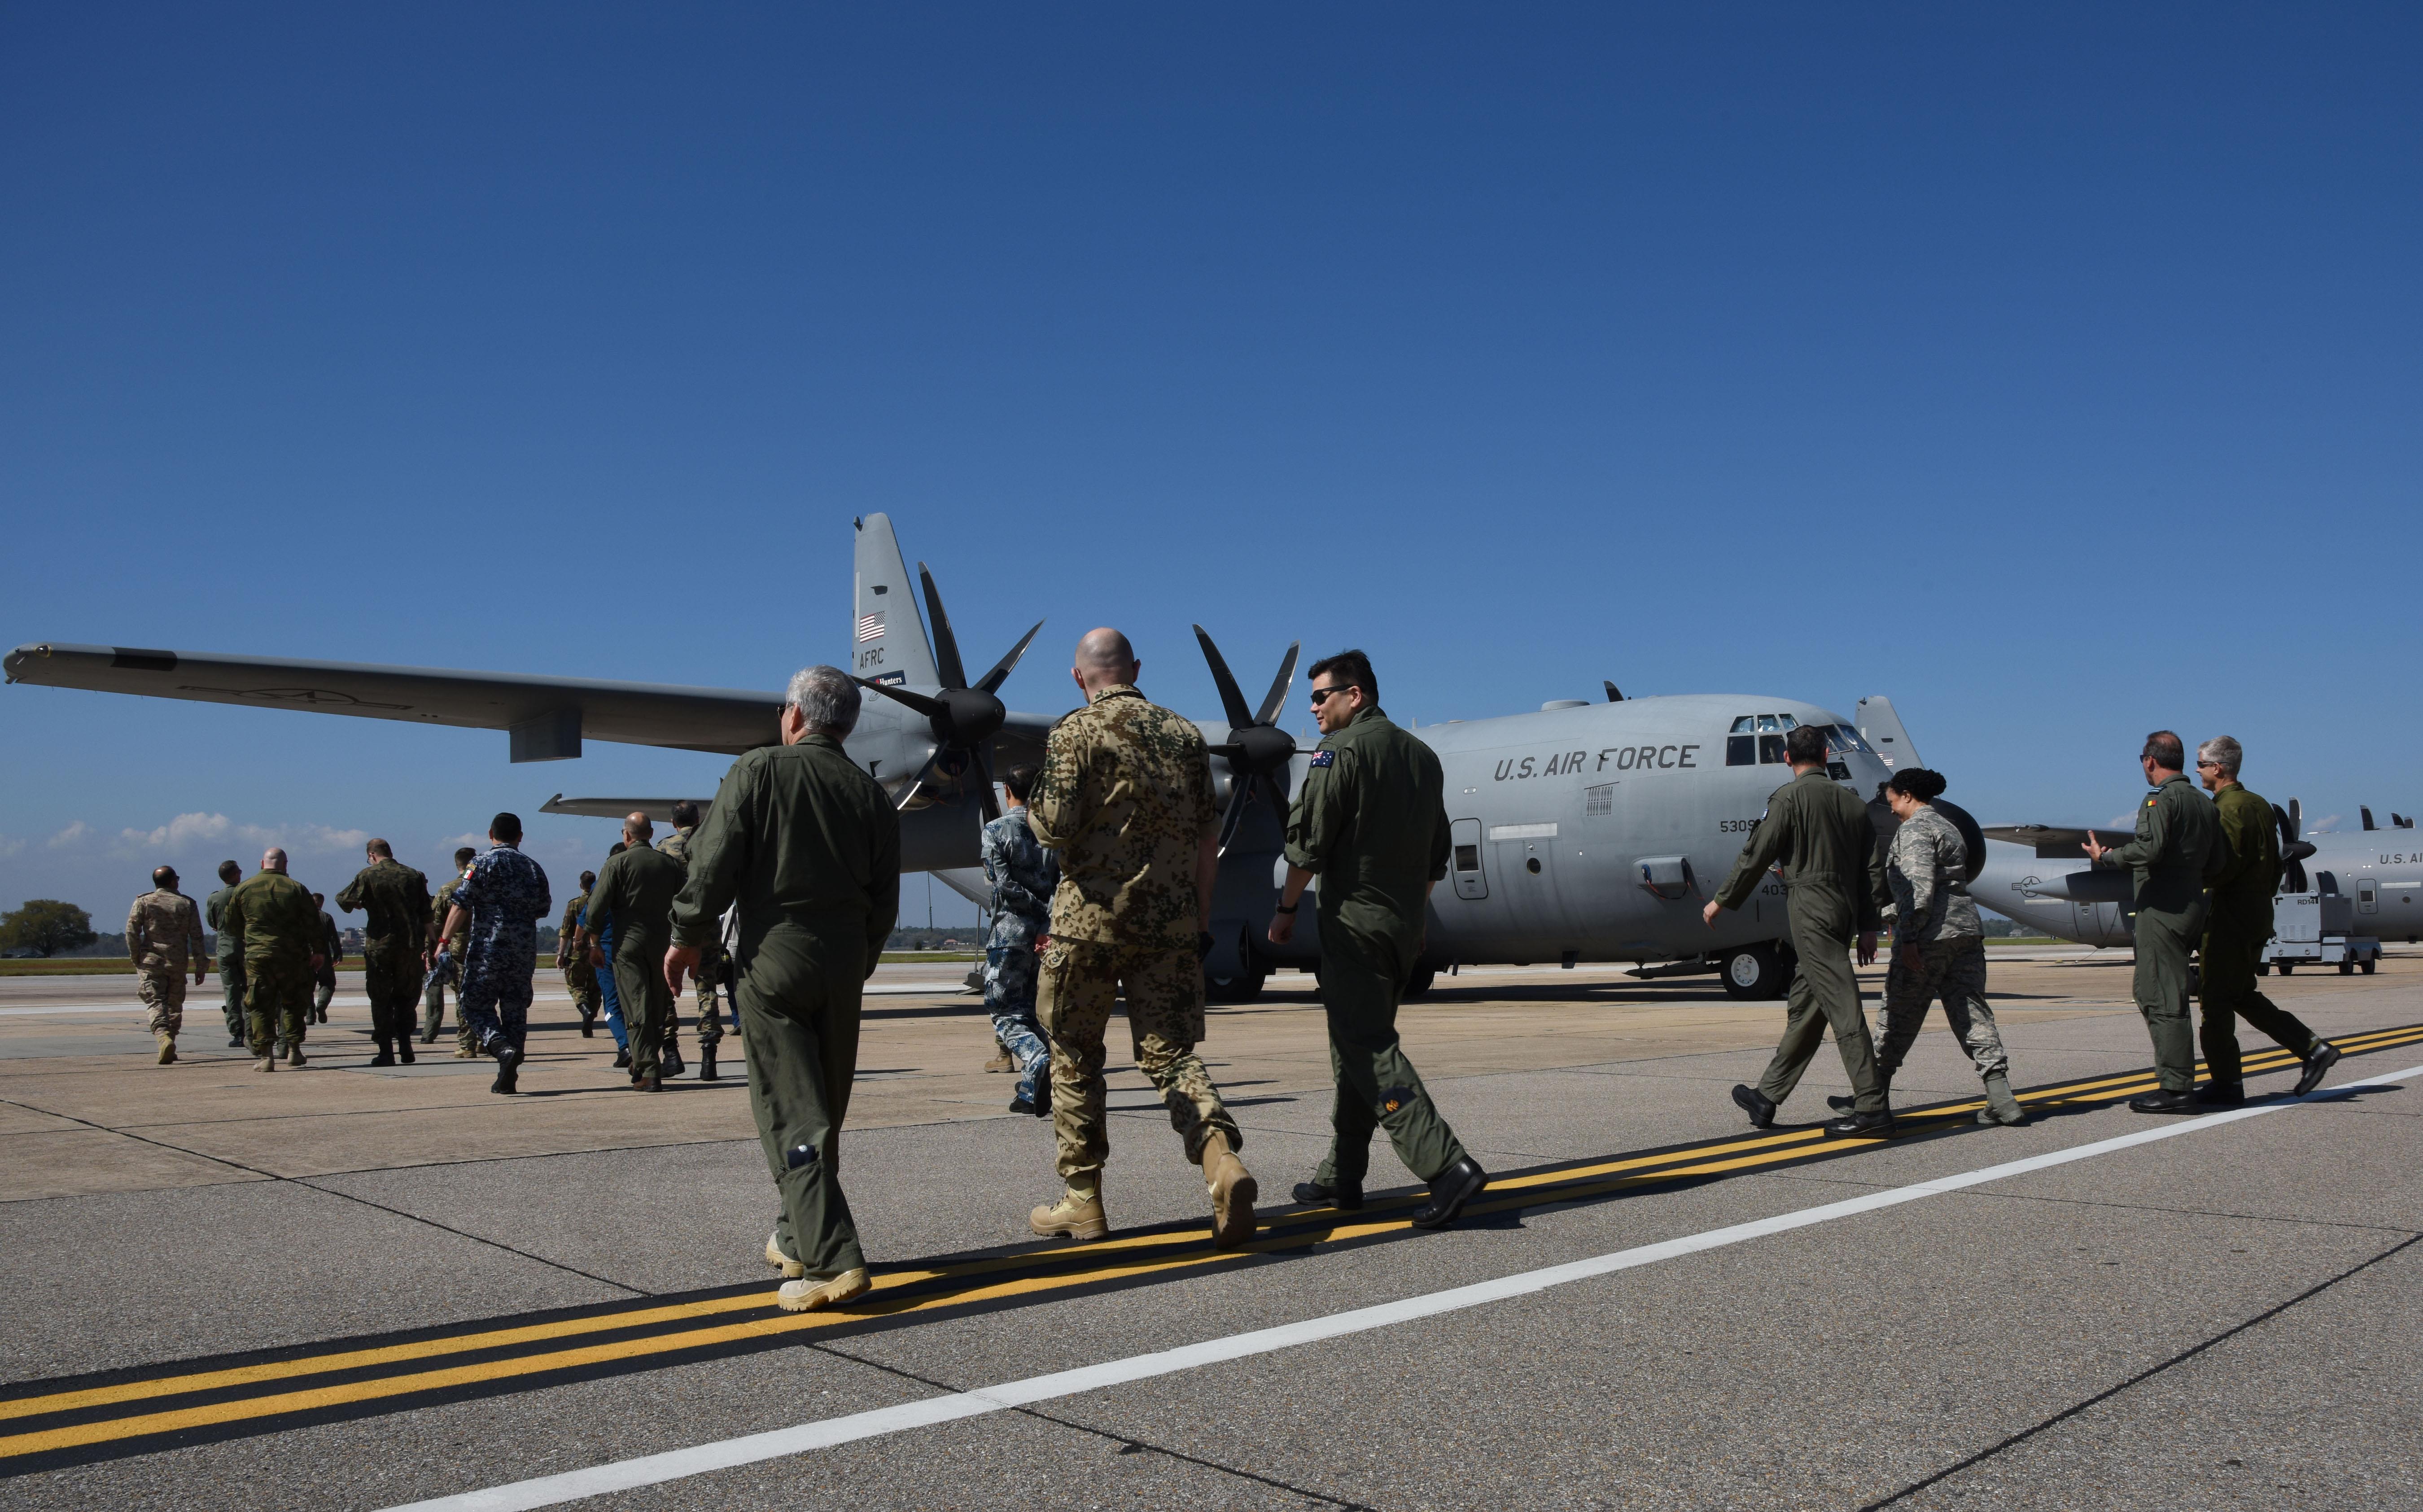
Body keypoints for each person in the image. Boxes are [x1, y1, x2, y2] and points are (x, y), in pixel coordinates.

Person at [665, 664, 897, 1313]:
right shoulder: (871, 793)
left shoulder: (759, 769)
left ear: (794, 715)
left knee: (792, 1112)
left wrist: (686, 934)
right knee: (822, 1106)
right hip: (845, 960)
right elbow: (885, 900)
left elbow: (712, 862)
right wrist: (858, 960)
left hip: (776, 956)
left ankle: (832, 1258)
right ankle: (796, 1235)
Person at [1025, 628, 1257, 1249]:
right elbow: (1208, 841)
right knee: (1171, 1055)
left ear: (1079, 677)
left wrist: (1032, 805)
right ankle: (1221, 1160)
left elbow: (1051, 826)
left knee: (1075, 1054)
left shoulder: (1074, 731)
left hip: (1088, 927)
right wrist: (1198, 923)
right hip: (1170, 928)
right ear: (1136, 668)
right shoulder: (1185, 735)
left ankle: (1083, 1200)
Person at [1270, 649, 1487, 1226]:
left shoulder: (1337, 752)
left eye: (1321, 696)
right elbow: (1436, 853)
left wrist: (1285, 909)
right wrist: (1416, 918)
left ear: (1355, 695)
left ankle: (1446, 1166)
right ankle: (1342, 1173)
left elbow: (1309, 843)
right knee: (1354, 1044)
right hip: (1401, 926)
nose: (1313, 707)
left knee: (1366, 1045)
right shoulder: (1422, 756)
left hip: (1355, 926)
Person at [1705, 723, 1892, 1135]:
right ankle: (1767, 1096)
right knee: (1809, 1006)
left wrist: (1723, 900)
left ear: (1787, 758)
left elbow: (1757, 854)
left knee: (1842, 1004)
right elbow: (1871, 870)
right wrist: (1868, 926)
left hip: (1811, 907)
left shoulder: (1787, 799)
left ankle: (1872, 1106)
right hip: (1844, 910)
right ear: (1827, 755)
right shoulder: (1853, 803)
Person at [1856, 769, 2025, 1126]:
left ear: (1906, 795)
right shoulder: (1948, 827)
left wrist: (1910, 938)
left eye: (1892, 799)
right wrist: (1882, 914)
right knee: (1972, 1012)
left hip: (1929, 935)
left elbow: (1918, 891)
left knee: (1897, 1015)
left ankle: (1871, 1100)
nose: (1890, 807)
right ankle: (2001, 1096)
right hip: (1965, 930)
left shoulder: (1914, 830)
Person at [2194, 736, 2341, 1102]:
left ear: (2218, 768)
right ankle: (2313, 1048)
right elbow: (2276, 862)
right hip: (2258, 912)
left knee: (2215, 1000)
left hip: (2230, 917)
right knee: (2242, 994)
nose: (2197, 771)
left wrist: (2191, 878)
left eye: (2201, 764)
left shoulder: (2227, 809)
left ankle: (2227, 1084)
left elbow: (2224, 866)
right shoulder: (2258, 805)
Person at [2084, 730, 2221, 1114]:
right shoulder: (2204, 802)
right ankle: (2181, 1081)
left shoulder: (2159, 799)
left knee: (2161, 996)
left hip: (2162, 910)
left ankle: (2176, 1088)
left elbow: (2150, 848)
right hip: (2192, 905)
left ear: (2150, 761)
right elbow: (2217, 863)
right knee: (2156, 992)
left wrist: (2106, 858)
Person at [435, 814, 551, 1094]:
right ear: (520, 836)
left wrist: (444, 941)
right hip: (523, 952)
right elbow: (543, 908)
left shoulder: (481, 863)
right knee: (516, 1011)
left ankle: (500, 1047)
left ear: (491, 834)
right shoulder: (533, 867)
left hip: (488, 949)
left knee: (473, 1004)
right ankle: (508, 1074)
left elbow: (461, 903)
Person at [584, 813, 687, 1091]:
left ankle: (648, 1069)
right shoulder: (670, 865)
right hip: (663, 943)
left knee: (636, 1004)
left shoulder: (617, 863)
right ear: (651, 834)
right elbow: (686, 904)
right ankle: (645, 1061)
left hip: (628, 945)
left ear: (626, 835)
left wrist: (594, 944)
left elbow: (595, 909)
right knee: (657, 1005)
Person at [981, 763, 1058, 1116]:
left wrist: (1032, 909)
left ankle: (1037, 1058)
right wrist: (1046, 919)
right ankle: (1031, 1091)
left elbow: (1002, 884)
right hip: (1043, 936)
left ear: (1008, 791)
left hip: (1009, 933)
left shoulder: (996, 830)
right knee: (1031, 1010)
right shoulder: (1051, 834)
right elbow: (1060, 885)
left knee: (1005, 1011)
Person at [223, 848, 324, 1071]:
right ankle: (294, 1051)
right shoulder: (297, 888)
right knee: (293, 1003)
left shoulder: (244, 888)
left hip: (259, 957)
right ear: (286, 865)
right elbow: (313, 924)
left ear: (262, 863)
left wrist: (251, 938)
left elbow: (231, 924)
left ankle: (267, 1056)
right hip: (292, 957)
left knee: (260, 1005)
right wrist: (318, 951)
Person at [336, 839, 432, 1066]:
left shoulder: (368, 875)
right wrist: (434, 942)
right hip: (410, 946)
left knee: (381, 999)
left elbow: (344, 900)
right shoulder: (414, 875)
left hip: (380, 946)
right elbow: (427, 912)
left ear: (372, 855)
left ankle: (386, 1051)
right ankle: (406, 1046)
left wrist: (361, 903)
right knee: (406, 998)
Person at [656, 801, 721, 1080]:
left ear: (673, 822)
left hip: (674, 927)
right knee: (707, 989)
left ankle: (671, 1053)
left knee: (667, 988)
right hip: (707, 926)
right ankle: (709, 1058)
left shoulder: (664, 848)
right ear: (698, 820)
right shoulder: (711, 844)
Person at [126, 865, 207, 1066]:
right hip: (177, 962)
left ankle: (163, 1037)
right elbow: (197, 936)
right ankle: (170, 1040)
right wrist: (200, 964)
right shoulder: (187, 904)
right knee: (174, 1004)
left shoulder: (144, 902)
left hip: (151, 961)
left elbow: (132, 932)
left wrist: (136, 956)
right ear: (173, 882)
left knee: (155, 1001)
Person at [423, 847, 476, 1050]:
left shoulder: (448, 889)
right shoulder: (489, 887)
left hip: (457, 949)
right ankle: (484, 1040)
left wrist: (430, 952)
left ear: (458, 865)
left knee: (463, 995)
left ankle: (467, 1044)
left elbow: (435, 924)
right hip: (485, 947)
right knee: (484, 995)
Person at [591, 841, 634, 1068]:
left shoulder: (603, 883)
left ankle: (625, 1046)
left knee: (612, 1004)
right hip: (638, 946)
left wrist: (585, 944)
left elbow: (589, 917)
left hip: (609, 948)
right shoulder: (640, 881)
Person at [204, 859, 247, 1048]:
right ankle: (255, 1028)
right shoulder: (246, 894)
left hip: (225, 948)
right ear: (236, 875)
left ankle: (238, 1032)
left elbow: (212, 922)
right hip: (247, 946)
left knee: (231, 991)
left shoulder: (215, 898)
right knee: (251, 988)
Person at [556, 870, 601, 1038]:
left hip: (578, 954)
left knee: (575, 986)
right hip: (598, 952)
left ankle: (584, 1009)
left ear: (581, 885)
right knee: (596, 989)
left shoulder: (574, 904)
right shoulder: (602, 902)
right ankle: (591, 1018)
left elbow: (566, 932)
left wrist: (561, 954)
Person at [309, 893, 342, 1026]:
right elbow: (334, 938)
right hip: (324, 955)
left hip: (306, 956)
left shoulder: (302, 917)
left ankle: (310, 1017)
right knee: (328, 983)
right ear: (321, 903)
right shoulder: (326, 917)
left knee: (307, 987)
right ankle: (322, 1004)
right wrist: (338, 955)